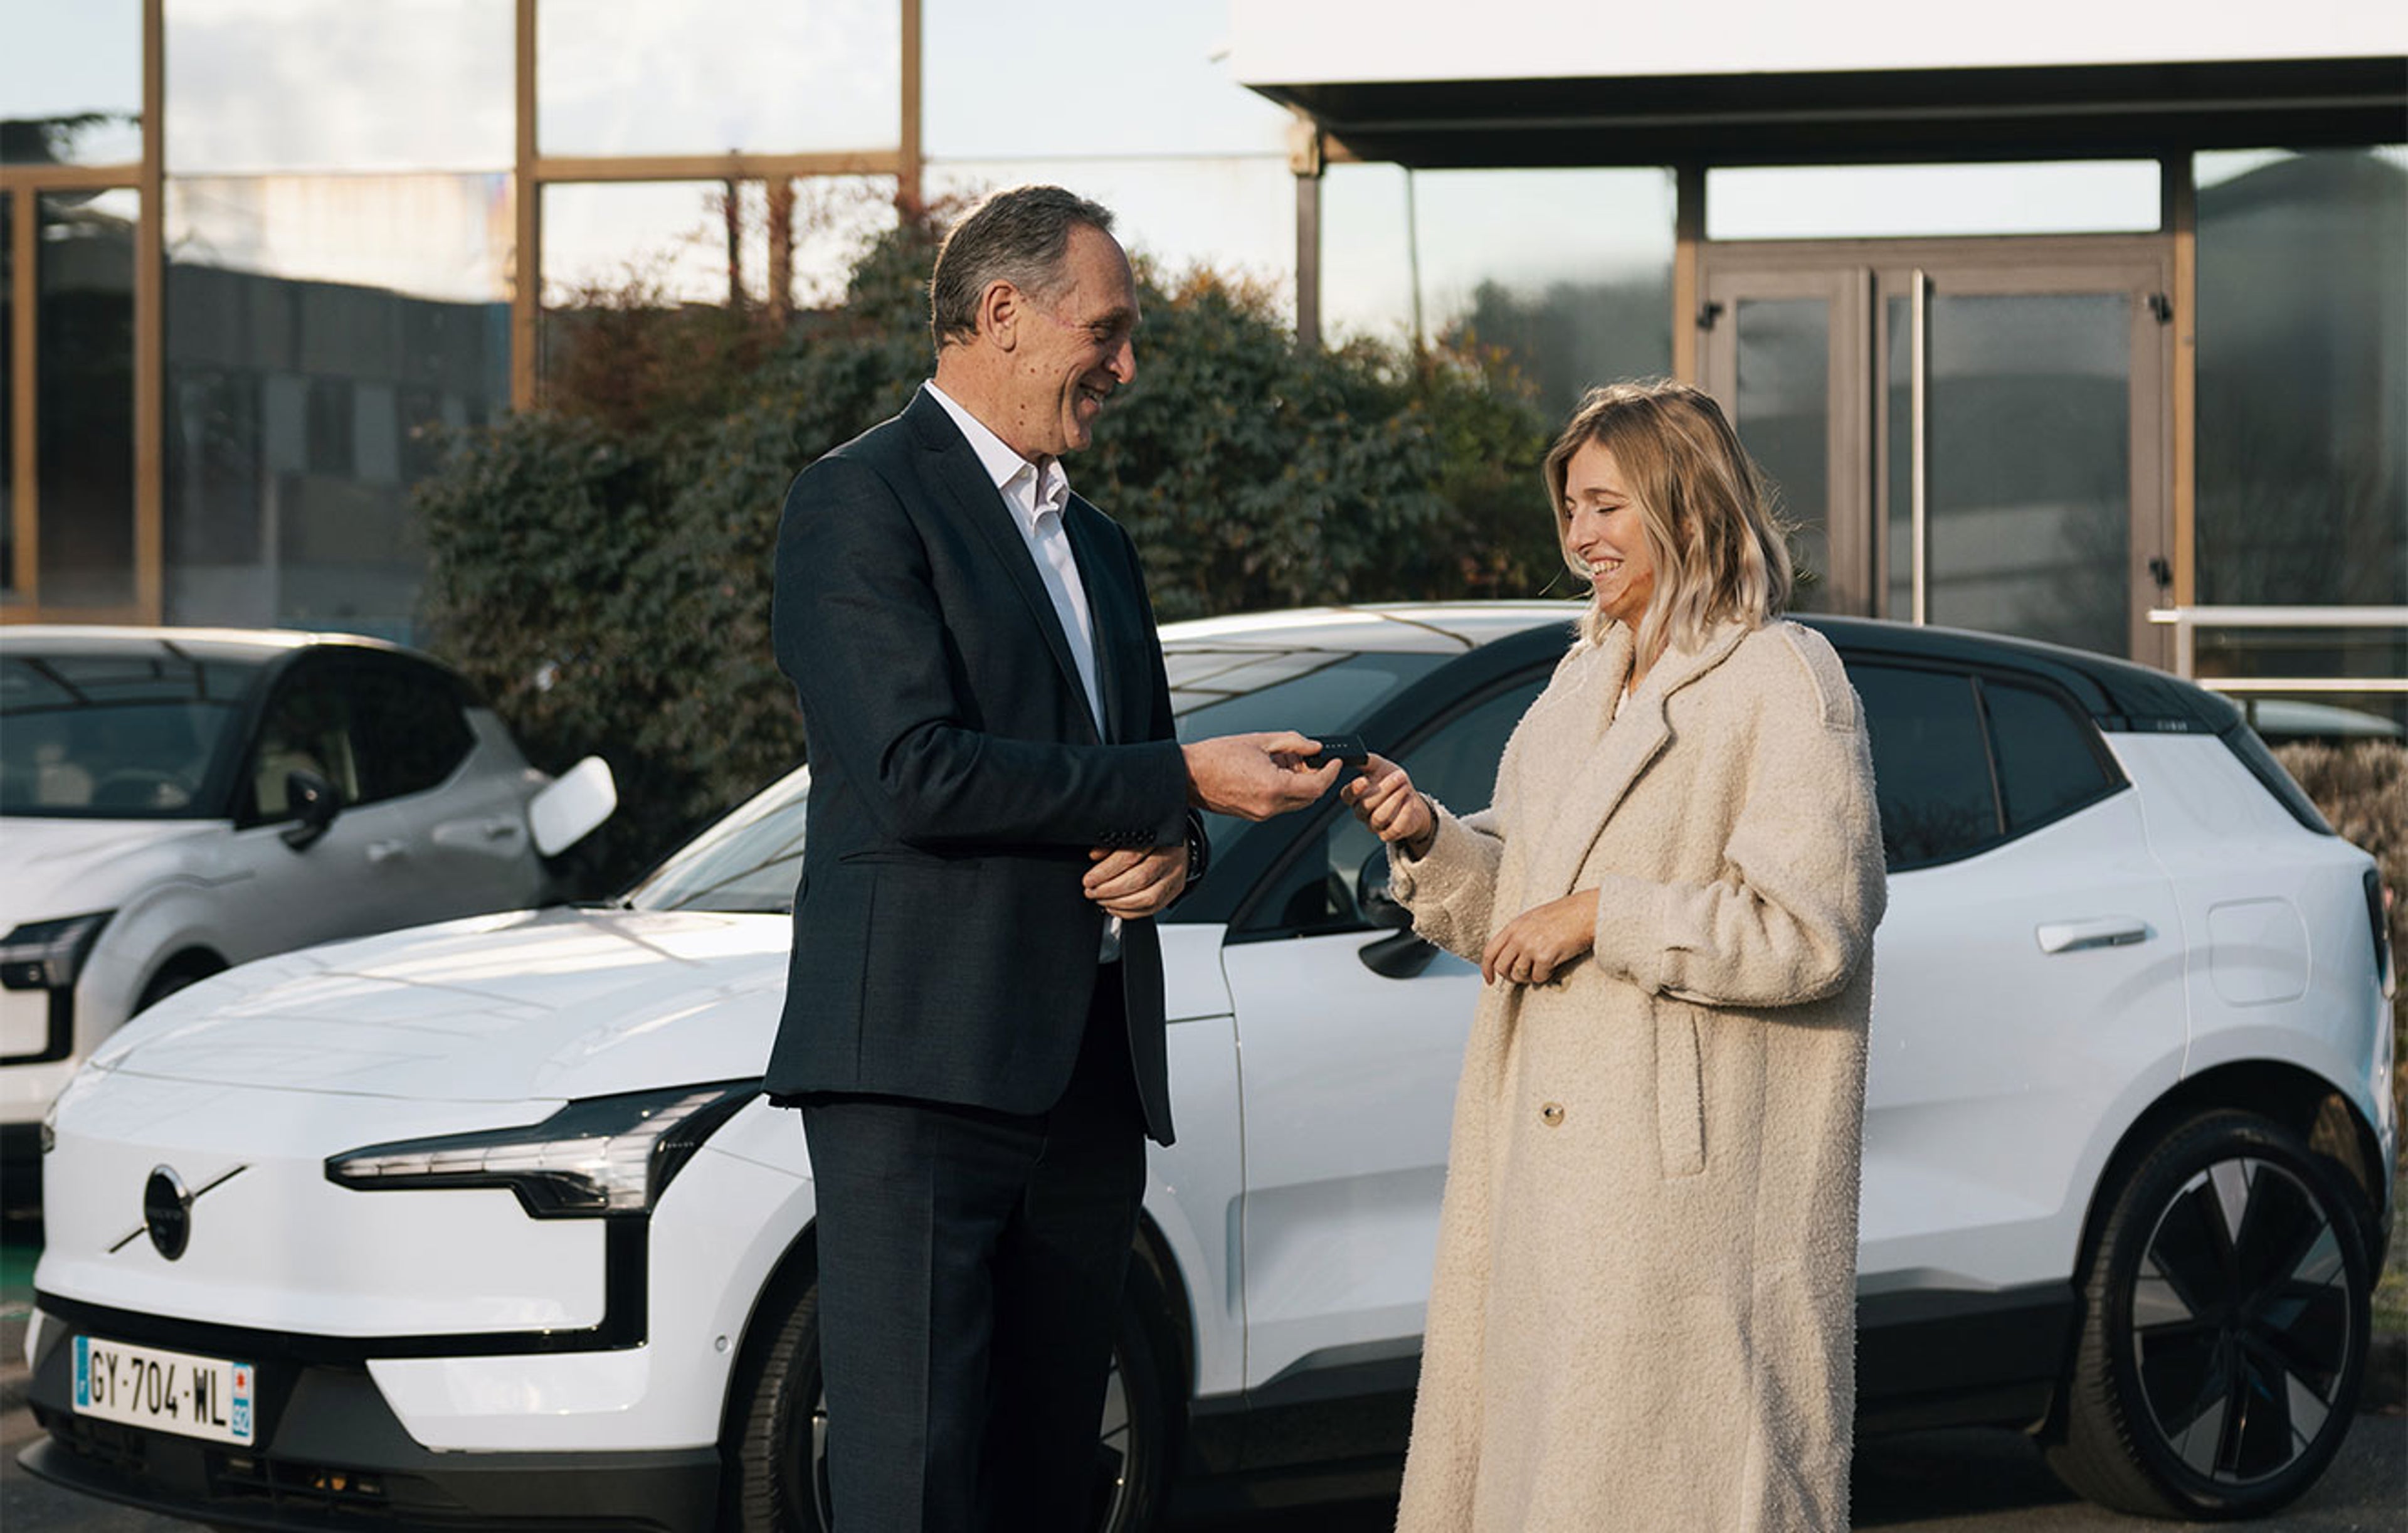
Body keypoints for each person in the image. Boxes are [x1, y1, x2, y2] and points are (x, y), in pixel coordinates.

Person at [766, 184, 1338, 1530]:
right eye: (1109, 330)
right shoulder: (857, 499)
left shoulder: (1102, 546)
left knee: (1050, 1483)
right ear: (1003, 312)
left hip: (1087, 1081)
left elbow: (1136, 784)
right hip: (918, 1075)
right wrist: (1180, 781)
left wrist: (1174, 848)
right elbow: (915, 771)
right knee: (911, 1483)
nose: (1127, 367)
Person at [1344, 379, 1886, 1532]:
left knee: (1668, 1490)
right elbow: (1522, 910)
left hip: (1686, 1209)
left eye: (1605, 506)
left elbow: (1810, 932)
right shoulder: (1581, 678)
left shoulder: (1784, 679)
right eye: (1570, 508)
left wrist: (1606, 916)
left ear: (1687, 508)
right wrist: (1429, 835)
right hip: (1550, 1186)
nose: (1578, 536)